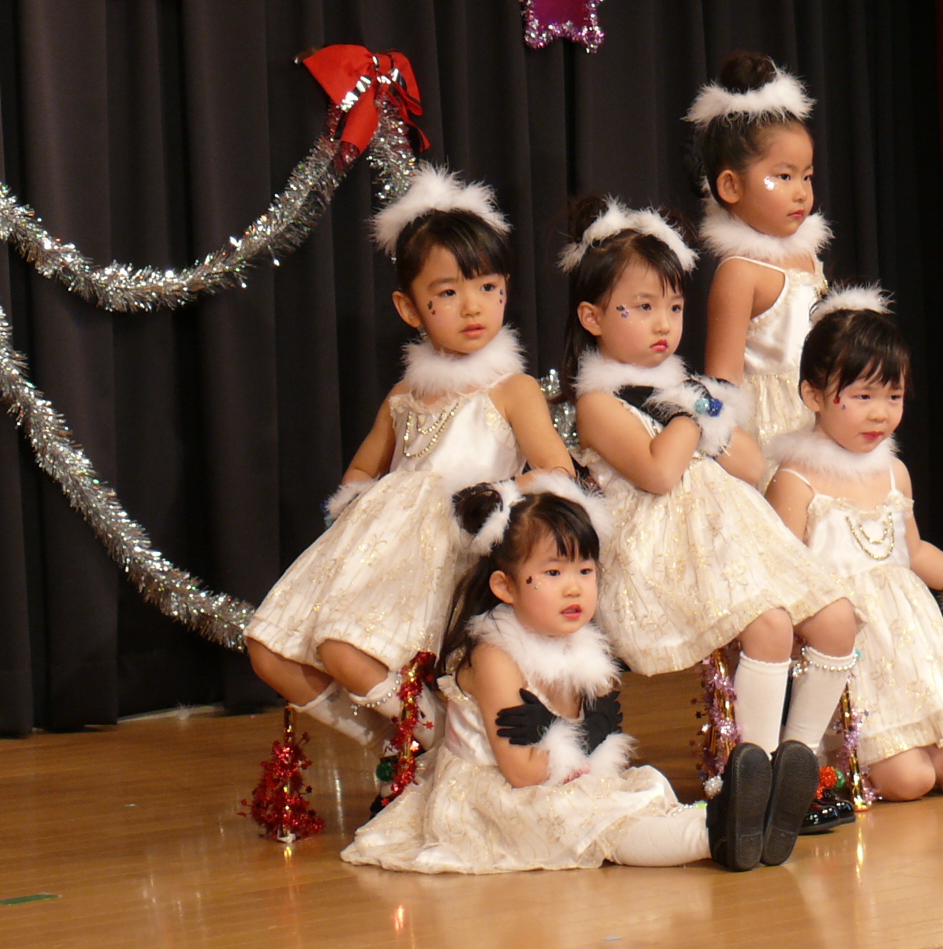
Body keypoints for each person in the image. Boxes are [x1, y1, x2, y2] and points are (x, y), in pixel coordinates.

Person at [559, 197, 859, 859]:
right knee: (770, 626)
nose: (662, 324)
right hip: (666, 550)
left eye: (672, 307)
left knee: (838, 620)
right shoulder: (598, 402)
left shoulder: (686, 391)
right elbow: (659, 472)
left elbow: (750, 464)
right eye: (640, 308)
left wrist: (704, 411)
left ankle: (796, 765)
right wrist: (689, 412)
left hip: (734, 533)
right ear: (593, 318)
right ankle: (751, 781)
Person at [245, 165, 574, 760]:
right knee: (271, 650)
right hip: (386, 552)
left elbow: (558, 471)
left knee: (345, 649)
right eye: (446, 293)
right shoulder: (404, 396)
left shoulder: (510, 388)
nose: (471, 306)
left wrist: (492, 498)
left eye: (487, 287)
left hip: (453, 552)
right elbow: (360, 474)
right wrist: (360, 516)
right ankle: (406, 749)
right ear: (409, 307)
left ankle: (441, 746)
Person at [341, 476, 791, 873]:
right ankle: (718, 835)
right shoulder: (495, 655)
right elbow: (521, 772)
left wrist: (583, 733)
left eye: (585, 570)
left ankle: (750, 824)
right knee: (601, 825)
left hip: (561, 776)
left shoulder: (583, 645)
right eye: (553, 572)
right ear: (505, 586)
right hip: (498, 797)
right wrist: (582, 737)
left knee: (639, 797)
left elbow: (589, 733)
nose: (574, 587)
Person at [765, 288, 943, 801]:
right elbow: (779, 575)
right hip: (850, 646)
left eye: (894, 397)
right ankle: (835, 757)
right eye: (862, 397)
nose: (880, 414)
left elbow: (911, 551)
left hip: (911, 644)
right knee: (909, 780)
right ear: (814, 395)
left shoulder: (894, 472)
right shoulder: (796, 480)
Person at [693, 50, 830, 466]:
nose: (801, 192)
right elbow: (721, 386)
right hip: (771, 441)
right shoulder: (740, 272)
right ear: (731, 186)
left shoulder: (807, 257)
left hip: (823, 423)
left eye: (807, 176)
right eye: (783, 177)